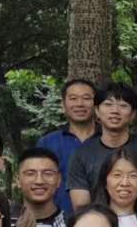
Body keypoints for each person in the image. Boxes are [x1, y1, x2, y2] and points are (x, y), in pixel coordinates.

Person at [67, 83, 137, 210]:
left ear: (133, 114)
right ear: (97, 111)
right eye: (108, 104)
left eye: (123, 106)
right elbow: (81, 206)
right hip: (97, 220)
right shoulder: (82, 153)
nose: (115, 111)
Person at [40, 79, 97, 216]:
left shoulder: (108, 140)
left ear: (96, 104)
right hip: (58, 221)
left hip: (106, 221)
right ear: (63, 104)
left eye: (86, 98)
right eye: (73, 98)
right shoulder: (47, 143)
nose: (80, 104)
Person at [10, 147, 67, 227]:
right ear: (17, 180)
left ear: (59, 180)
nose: (39, 181)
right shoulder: (5, 223)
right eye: (30, 174)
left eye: (48, 174)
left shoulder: (72, 225)